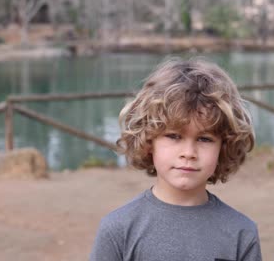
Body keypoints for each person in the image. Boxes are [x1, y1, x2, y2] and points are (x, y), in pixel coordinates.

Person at [90, 58, 262, 261]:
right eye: (174, 136)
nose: (189, 152)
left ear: (224, 148)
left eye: (204, 139)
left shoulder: (241, 233)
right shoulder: (117, 230)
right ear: (148, 140)